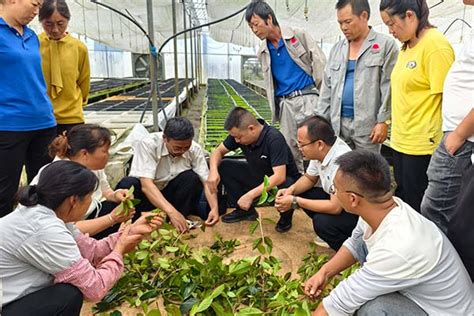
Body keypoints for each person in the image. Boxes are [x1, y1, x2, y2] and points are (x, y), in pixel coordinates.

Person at [304, 151, 473, 316]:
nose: (333, 192)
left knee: (373, 309)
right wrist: (324, 272)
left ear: (353, 199)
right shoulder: (383, 208)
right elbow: (356, 242)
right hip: (422, 297)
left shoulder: (396, 247)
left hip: (443, 312)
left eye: (334, 189)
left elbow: (338, 304)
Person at [0, 160, 163, 316]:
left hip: (15, 297)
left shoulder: (50, 214)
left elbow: (92, 251)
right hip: (6, 306)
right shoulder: (44, 229)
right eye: (90, 197)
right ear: (73, 200)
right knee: (68, 294)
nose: (92, 201)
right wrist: (119, 250)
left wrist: (132, 231)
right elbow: (94, 288)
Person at [379, 0, 454, 212]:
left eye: (392, 24)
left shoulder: (435, 46)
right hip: (402, 140)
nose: (390, 30)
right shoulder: (407, 46)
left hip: (422, 144)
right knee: (404, 199)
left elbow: (449, 99)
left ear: (410, 16)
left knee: (417, 205)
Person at [245, 0, 326, 173]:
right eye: (251, 27)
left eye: (256, 24)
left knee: (315, 142)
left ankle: (320, 185)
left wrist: (325, 98)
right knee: (290, 145)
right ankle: (298, 183)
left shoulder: (298, 35)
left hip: (308, 98)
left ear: (268, 19)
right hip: (286, 104)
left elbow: (319, 63)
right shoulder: (263, 51)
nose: (254, 30)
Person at [420, 0, 474, 234]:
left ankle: (442, 266)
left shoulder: (434, 44)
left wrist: (459, 135)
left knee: (437, 211)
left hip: (464, 138)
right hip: (459, 134)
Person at [317, 0, 398, 152]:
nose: (343, 27)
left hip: (368, 127)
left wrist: (383, 122)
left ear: (364, 16)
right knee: (341, 169)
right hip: (338, 125)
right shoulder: (337, 49)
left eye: (348, 22)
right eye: (340, 23)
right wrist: (321, 120)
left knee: (366, 171)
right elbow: (327, 88)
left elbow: (389, 87)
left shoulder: (385, 45)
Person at [0, 0, 57, 217]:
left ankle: (39, 241)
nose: (37, 10)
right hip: (8, 125)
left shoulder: (32, 36)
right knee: (4, 193)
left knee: (45, 192)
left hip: (43, 122)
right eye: (34, 4)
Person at [31, 124, 134, 239]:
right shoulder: (61, 176)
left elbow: (106, 191)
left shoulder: (92, 166)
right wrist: (111, 218)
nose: (108, 156)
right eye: (105, 151)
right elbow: (64, 227)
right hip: (54, 231)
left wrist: (116, 195)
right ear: (84, 153)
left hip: (80, 221)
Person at [207, 107, 301, 233]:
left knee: (287, 184)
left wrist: (250, 195)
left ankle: (285, 217)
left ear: (251, 128)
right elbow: (218, 151)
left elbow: (279, 176)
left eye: (239, 137)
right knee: (224, 166)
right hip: (259, 175)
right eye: (234, 137)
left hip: (279, 182)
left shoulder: (274, 138)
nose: (236, 141)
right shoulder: (239, 135)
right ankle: (244, 211)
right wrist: (213, 171)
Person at [275, 115, 358, 250]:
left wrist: (295, 201)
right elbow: (309, 178)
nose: (299, 147)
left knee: (322, 223)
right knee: (303, 192)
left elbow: (335, 208)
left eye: (302, 144)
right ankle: (333, 234)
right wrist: (290, 190)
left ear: (319, 144)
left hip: (355, 213)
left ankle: (352, 251)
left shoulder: (341, 162)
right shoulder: (322, 152)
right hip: (339, 202)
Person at [125, 117, 220, 233]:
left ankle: (177, 220)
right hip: (147, 196)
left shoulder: (194, 149)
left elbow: (207, 181)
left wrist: (214, 208)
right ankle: (133, 223)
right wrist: (172, 212)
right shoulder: (148, 144)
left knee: (191, 178)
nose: (182, 151)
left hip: (169, 195)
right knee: (129, 183)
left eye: (186, 147)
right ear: (165, 139)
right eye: (177, 147)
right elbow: (146, 185)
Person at [39, 0, 90, 136]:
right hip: (42, 117)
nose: (55, 29)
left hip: (72, 117)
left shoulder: (79, 48)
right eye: (48, 24)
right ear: (41, 21)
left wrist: (76, 105)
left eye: (61, 24)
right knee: (43, 157)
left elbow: (84, 82)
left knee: (72, 155)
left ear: (68, 20)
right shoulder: (34, 45)